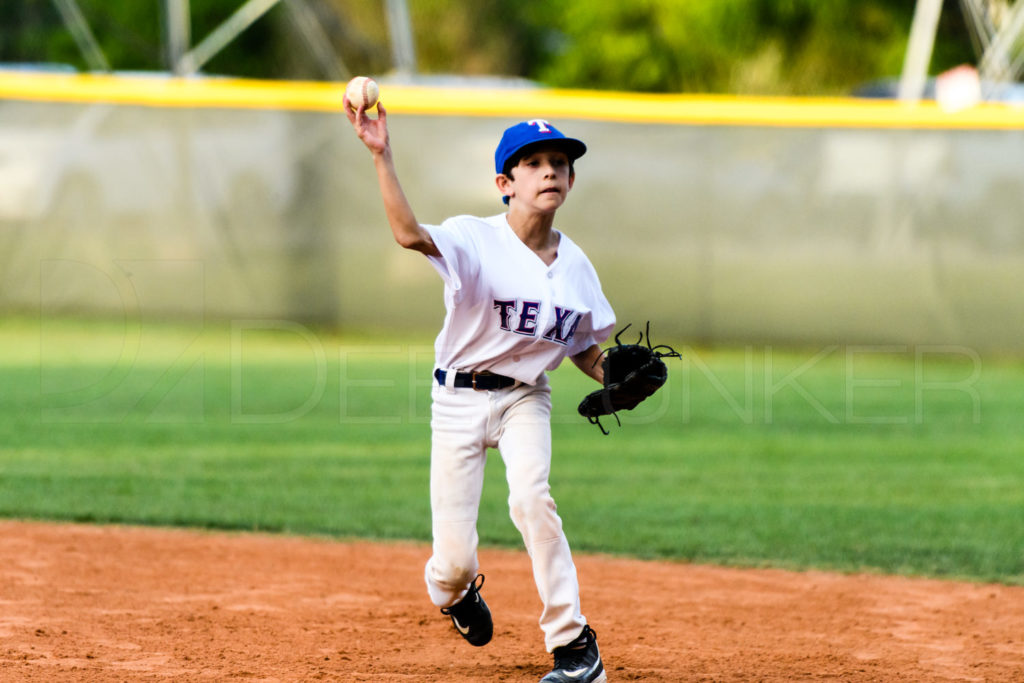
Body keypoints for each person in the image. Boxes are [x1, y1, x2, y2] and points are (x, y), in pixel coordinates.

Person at [344, 93, 613, 683]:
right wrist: (381, 154)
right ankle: (453, 593)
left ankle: (572, 642)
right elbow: (408, 234)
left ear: (571, 179)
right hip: (458, 400)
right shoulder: (474, 238)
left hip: (525, 398)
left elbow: (583, 349)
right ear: (505, 182)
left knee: (531, 498)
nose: (551, 171)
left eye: (561, 163)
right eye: (535, 162)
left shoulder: (577, 267)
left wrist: (614, 374)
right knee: (453, 563)